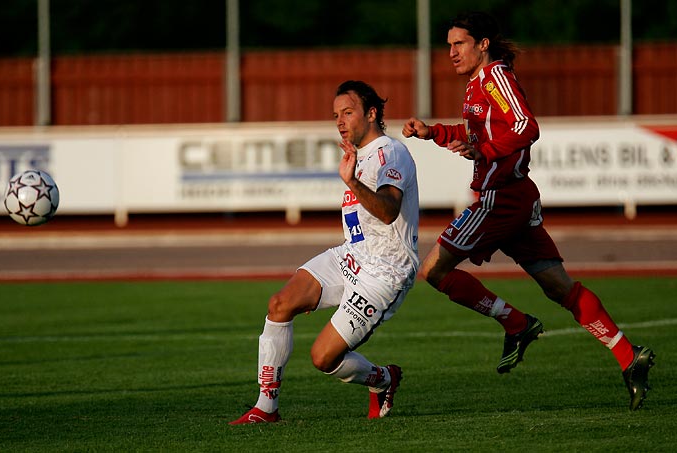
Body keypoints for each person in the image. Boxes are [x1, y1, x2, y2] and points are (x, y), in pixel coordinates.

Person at [402, 11, 655, 411]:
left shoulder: (495, 76)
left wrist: (483, 151)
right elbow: (476, 135)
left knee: (433, 271)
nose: (450, 52)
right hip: (517, 197)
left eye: (459, 44)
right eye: (448, 45)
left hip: (499, 198)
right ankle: (628, 355)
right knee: (559, 287)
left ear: (483, 44)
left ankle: (516, 324)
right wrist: (433, 132)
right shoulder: (476, 85)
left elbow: (525, 127)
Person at [230, 80, 420, 424]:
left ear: (372, 113)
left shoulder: (391, 153)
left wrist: (353, 182)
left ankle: (383, 379)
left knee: (323, 358)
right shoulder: (358, 156)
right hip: (352, 256)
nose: (340, 121)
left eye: (348, 112)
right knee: (280, 304)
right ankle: (266, 408)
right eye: (336, 115)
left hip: (386, 271)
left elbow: (389, 210)